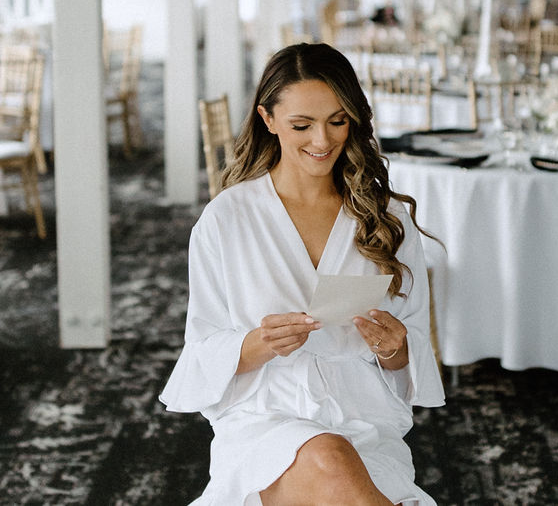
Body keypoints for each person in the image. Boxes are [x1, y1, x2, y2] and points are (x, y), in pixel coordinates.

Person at [160, 43, 445, 505]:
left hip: (363, 415)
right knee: (330, 458)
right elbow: (202, 351)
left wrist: (396, 348)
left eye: (337, 120)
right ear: (267, 120)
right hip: (264, 413)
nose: (322, 141)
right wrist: (259, 343)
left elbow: (408, 355)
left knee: (338, 460)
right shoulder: (227, 218)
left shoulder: (386, 219)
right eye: (302, 125)